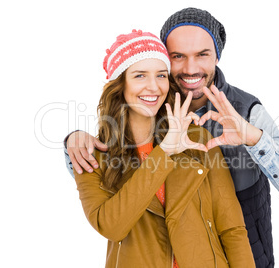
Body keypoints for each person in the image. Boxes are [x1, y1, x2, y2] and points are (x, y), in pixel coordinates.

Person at [65, 8, 279, 268]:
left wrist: (254, 139)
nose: (190, 68)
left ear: (217, 57)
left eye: (202, 55)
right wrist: (74, 143)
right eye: (178, 56)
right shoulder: (133, 131)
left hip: (249, 254)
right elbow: (106, 200)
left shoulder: (240, 113)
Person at [73, 29, 255, 267]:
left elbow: (232, 228)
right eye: (140, 76)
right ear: (120, 84)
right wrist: (165, 151)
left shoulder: (197, 137)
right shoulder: (92, 156)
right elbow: (111, 226)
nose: (153, 87)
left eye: (160, 75)